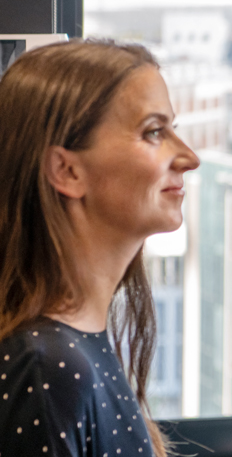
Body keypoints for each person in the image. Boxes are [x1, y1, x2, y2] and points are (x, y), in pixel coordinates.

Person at [0, 40, 200, 456]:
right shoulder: (47, 366)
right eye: (153, 132)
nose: (188, 157)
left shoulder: (73, 347)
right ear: (67, 170)